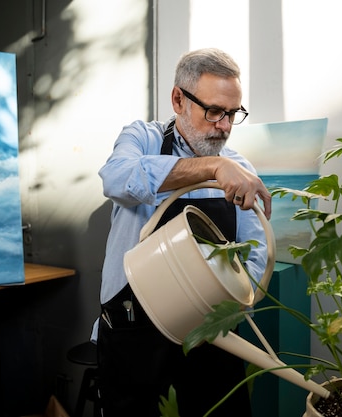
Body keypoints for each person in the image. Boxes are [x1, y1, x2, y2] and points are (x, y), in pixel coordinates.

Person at [92, 48, 272, 417]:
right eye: (214, 112)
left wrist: (233, 305)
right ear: (178, 99)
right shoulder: (141, 138)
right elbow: (117, 178)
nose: (224, 125)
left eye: (233, 114)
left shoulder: (239, 168)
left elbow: (255, 252)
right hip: (133, 328)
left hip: (209, 333)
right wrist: (213, 167)